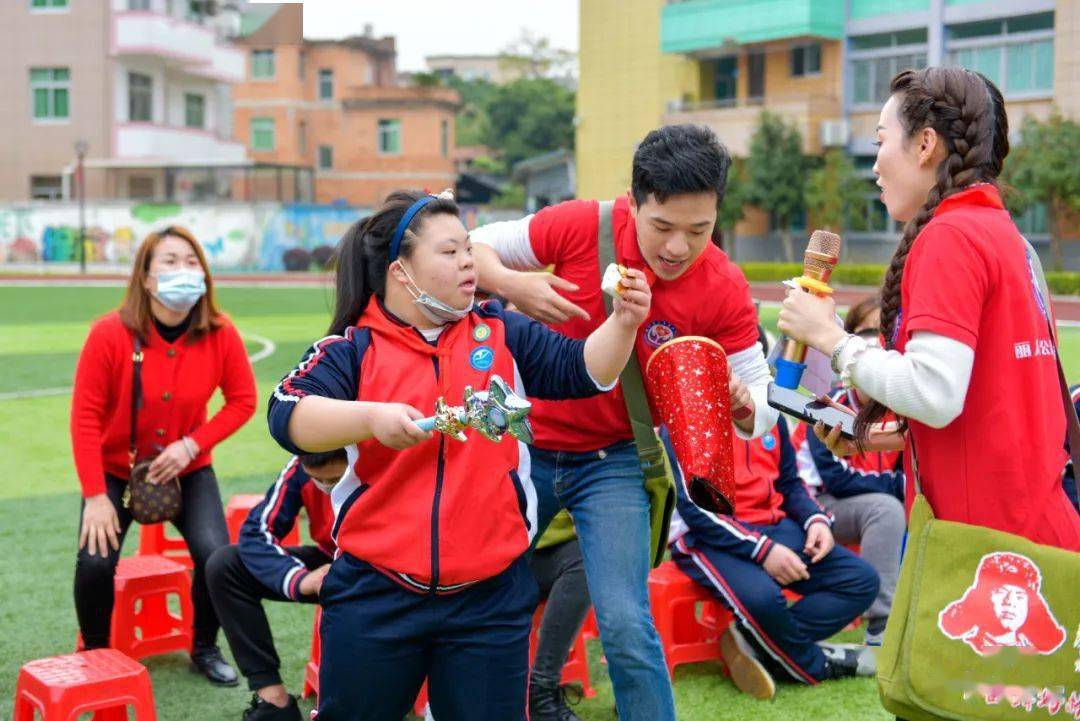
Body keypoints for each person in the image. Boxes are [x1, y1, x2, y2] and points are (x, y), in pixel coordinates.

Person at [265, 189, 651, 721]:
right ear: (400, 272)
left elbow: (585, 370)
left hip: (490, 600)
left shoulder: (501, 331)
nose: (470, 261)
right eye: (450, 253)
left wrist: (624, 323)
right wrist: (370, 418)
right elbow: (287, 413)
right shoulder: (354, 349)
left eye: (469, 248)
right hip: (376, 595)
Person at [470, 123, 777, 721]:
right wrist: (513, 284)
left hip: (612, 460)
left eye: (700, 230)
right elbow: (475, 244)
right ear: (632, 202)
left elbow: (761, 411)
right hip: (521, 446)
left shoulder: (724, 287)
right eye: (662, 227)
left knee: (627, 624)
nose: (678, 248)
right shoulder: (583, 224)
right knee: (471, 599)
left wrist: (740, 400)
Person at [778, 66, 1080, 551]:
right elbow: (990, 405)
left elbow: (936, 393)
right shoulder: (1010, 239)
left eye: (881, 141)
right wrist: (884, 437)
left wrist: (832, 340)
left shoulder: (950, 237)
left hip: (981, 550)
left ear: (924, 145)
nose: (875, 164)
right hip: (1032, 530)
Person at [71, 225, 257, 684]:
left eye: (192, 262)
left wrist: (192, 444)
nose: (184, 270)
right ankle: (97, 653)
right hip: (116, 471)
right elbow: (85, 418)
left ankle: (204, 647)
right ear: (147, 279)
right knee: (95, 559)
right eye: (170, 262)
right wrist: (95, 495)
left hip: (187, 468)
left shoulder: (220, 332)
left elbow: (244, 401)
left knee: (216, 554)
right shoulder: (108, 334)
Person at [667, 409, 879, 699]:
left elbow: (790, 484)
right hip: (708, 537)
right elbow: (696, 511)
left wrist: (816, 520)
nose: (737, 379)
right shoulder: (684, 421)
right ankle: (822, 665)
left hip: (774, 526)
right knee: (764, 600)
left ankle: (753, 641)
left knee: (862, 580)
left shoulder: (770, 415)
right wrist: (763, 550)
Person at [791, 295, 905, 646]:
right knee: (887, 509)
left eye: (883, 333)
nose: (875, 342)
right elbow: (837, 479)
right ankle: (880, 624)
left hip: (859, 508)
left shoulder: (903, 406)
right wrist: (900, 484)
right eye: (865, 333)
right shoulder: (831, 402)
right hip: (814, 507)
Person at [207, 450, 347, 721]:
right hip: (331, 561)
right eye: (319, 480)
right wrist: (301, 580)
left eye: (336, 479)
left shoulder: (384, 462)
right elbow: (257, 532)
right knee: (226, 566)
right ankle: (274, 701)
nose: (327, 487)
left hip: (382, 571)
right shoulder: (298, 468)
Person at [529, 512, 590, 721]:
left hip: (564, 547)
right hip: (513, 549)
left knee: (589, 559)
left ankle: (543, 690)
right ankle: (543, 694)